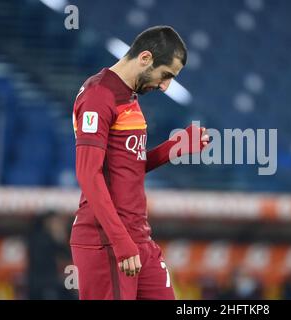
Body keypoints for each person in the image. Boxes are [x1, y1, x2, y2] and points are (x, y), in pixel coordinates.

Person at [70, 25, 209, 300]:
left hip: (138, 239)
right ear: (145, 58)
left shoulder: (128, 96)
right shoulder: (99, 95)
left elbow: (127, 167)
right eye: (166, 75)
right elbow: (88, 173)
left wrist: (173, 148)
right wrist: (121, 242)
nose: (165, 85)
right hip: (106, 241)